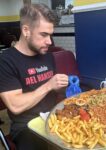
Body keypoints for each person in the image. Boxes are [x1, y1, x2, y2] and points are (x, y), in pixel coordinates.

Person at [0, 4, 68, 150]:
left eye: (51, 35)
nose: (49, 42)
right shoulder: (6, 60)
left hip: (53, 118)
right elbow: (15, 105)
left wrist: (61, 87)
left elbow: (56, 92)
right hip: (26, 127)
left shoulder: (46, 55)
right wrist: (49, 85)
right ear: (26, 30)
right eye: (43, 35)